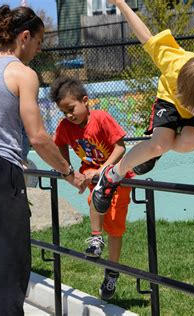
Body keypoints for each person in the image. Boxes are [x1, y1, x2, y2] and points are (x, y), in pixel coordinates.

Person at [0, 5, 85, 315]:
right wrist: (68, 172)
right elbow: (37, 137)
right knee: (5, 266)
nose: (38, 50)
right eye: (38, 42)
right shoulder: (23, 74)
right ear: (25, 36)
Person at [92, 0, 194, 214]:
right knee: (158, 144)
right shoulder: (173, 63)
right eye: (193, 107)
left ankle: (153, 152)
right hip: (170, 97)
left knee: (187, 143)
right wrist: (121, 4)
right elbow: (145, 36)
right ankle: (111, 176)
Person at [51, 76, 134, 300]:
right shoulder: (65, 127)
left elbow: (120, 147)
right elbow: (58, 145)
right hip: (92, 175)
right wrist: (70, 172)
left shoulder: (101, 118)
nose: (68, 115)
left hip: (117, 176)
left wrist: (104, 170)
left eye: (71, 108)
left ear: (85, 101)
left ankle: (112, 273)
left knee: (115, 228)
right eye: (63, 111)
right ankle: (96, 238)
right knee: (95, 202)